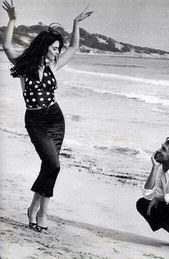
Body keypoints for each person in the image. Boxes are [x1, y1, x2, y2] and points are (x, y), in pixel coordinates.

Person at [2, 0, 93, 232]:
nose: (57, 52)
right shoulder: (25, 66)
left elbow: (73, 48)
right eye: (54, 48)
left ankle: (34, 210)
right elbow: (7, 47)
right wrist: (12, 20)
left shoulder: (53, 66)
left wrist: (75, 23)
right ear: (43, 47)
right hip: (35, 121)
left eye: (57, 49)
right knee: (53, 164)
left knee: (49, 166)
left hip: (55, 118)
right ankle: (43, 213)